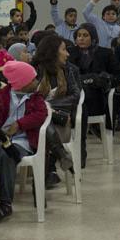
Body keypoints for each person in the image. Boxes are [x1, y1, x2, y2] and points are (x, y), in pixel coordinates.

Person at [0, 61, 47, 221]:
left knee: (7, 156)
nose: (36, 82)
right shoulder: (3, 96)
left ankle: (5, 202)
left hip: (23, 140)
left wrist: (20, 124)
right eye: (33, 79)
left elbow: (41, 115)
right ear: (22, 82)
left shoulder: (36, 98)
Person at [68, 23, 120, 163]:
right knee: (79, 99)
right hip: (75, 98)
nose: (81, 38)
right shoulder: (70, 53)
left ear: (93, 37)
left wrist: (104, 79)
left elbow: (119, 76)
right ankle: (79, 148)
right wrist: (88, 79)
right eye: (79, 36)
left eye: (85, 35)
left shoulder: (105, 53)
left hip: (97, 99)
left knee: (84, 98)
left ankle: (81, 148)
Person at [31, 35, 80, 184]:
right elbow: (27, 99)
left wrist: (48, 106)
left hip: (60, 120)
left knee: (44, 122)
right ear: (52, 51)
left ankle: (47, 173)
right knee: (41, 122)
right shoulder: (33, 70)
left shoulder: (68, 70)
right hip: (37, 121)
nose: (68, 54)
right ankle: (60, 158)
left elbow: (75, 96)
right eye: (64, 50)